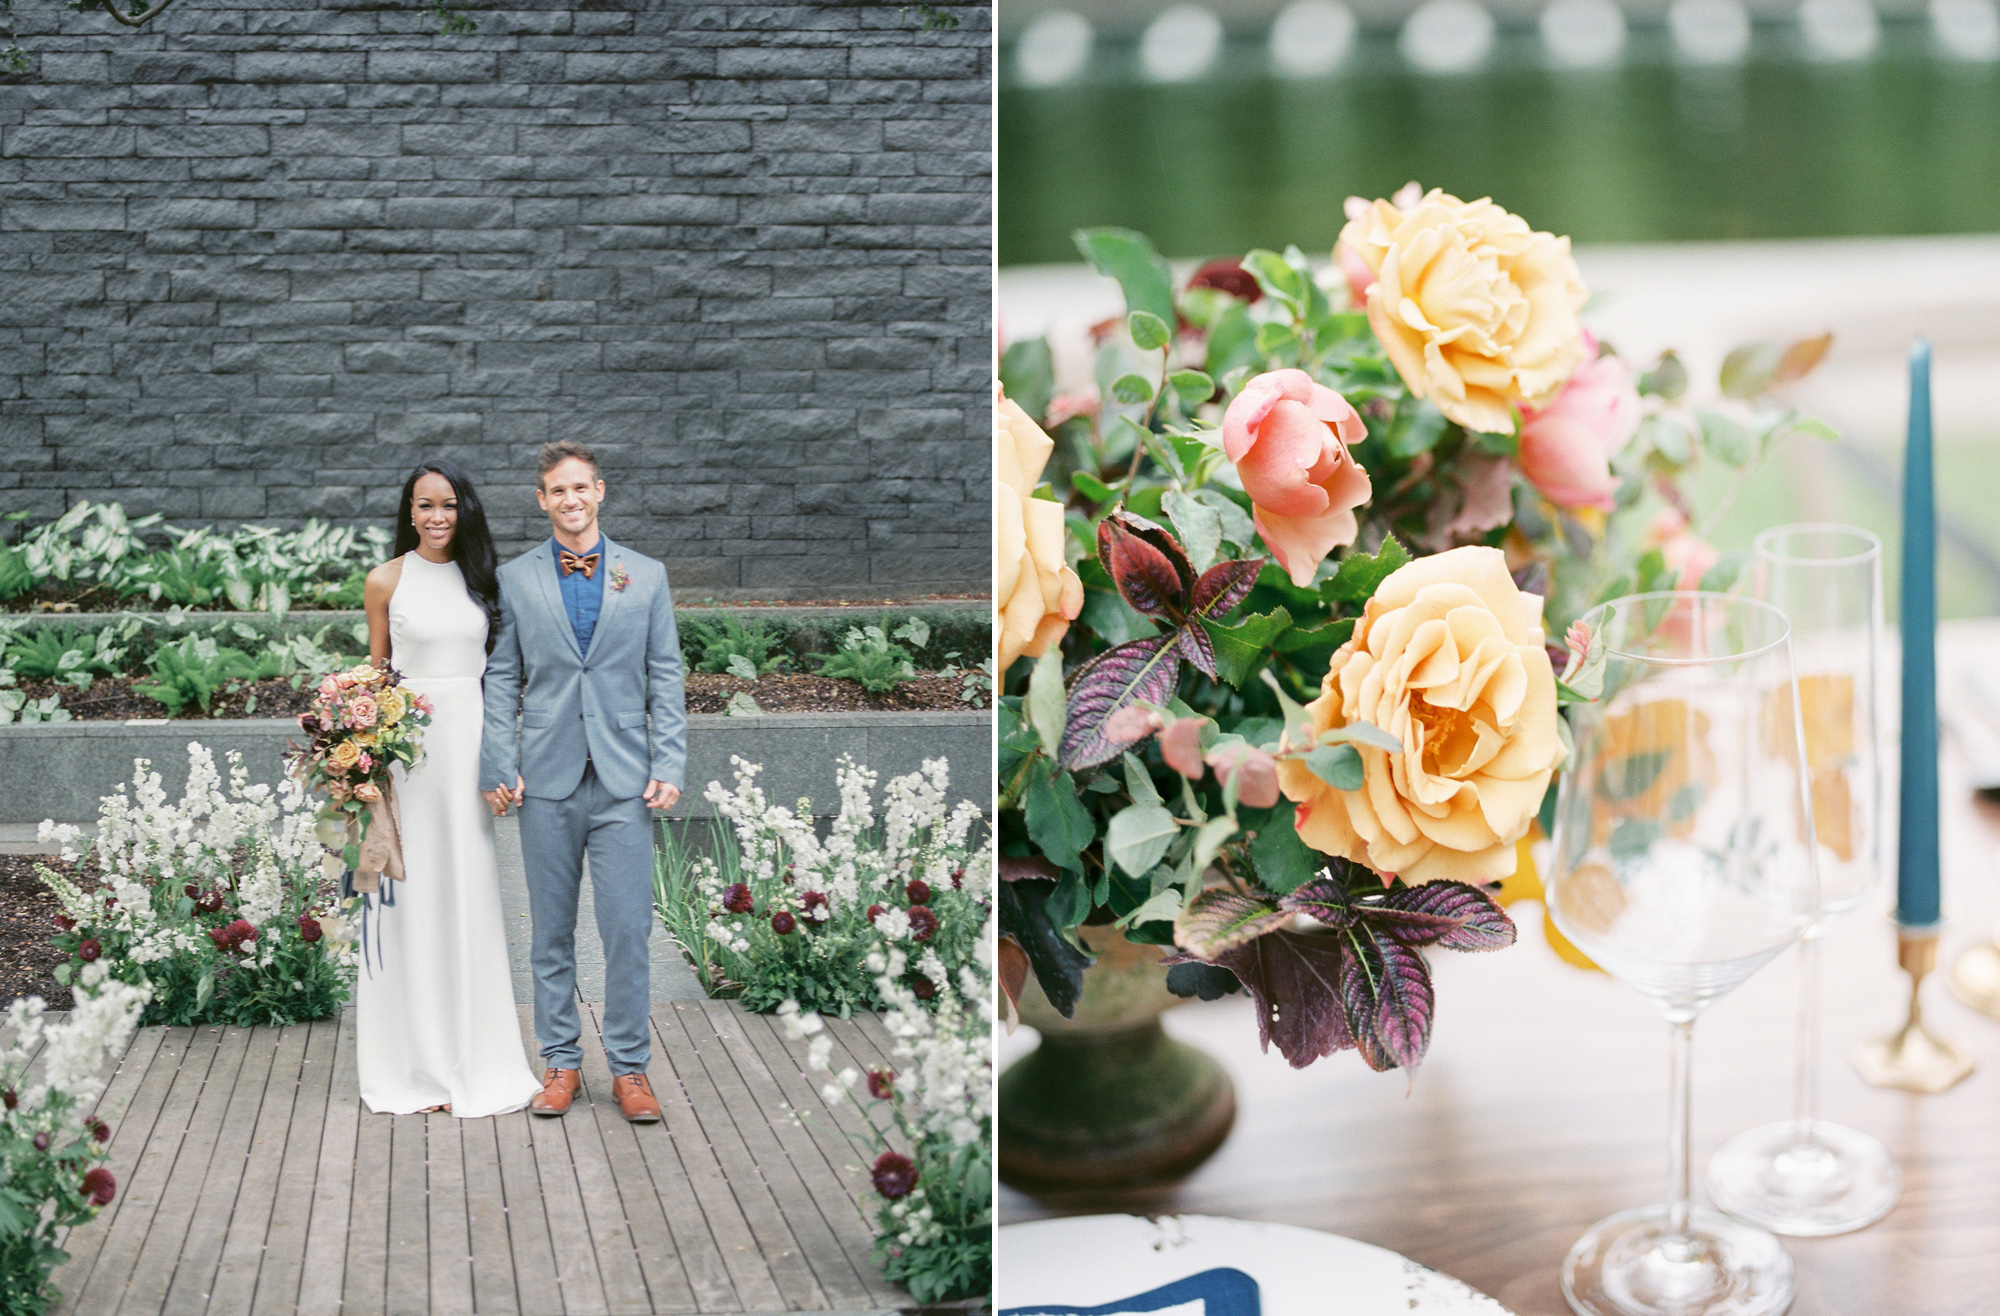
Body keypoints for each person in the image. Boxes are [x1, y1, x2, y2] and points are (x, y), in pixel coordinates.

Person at [479, 441, 687, 1122]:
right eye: (556, 492)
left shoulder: (646, 577)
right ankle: (560, 1063)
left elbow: (666, 676)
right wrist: (497, 761)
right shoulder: (515, 580)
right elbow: (503, 676)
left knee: (628, 929)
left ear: (601, 491)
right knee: (551, 933)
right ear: (543, 502)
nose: (570, 501)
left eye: (580, 488)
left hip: (626, 780)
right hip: (547, 777)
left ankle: (630, 1071)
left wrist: (669, 763)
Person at [356, 459, 543, 1117]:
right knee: (411, 902)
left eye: (448, 505)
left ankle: (474, 1057)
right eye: (424, 505)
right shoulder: (385, 580)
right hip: (409, 758)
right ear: (408, 511)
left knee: (467, 892)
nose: (437, 517)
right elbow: (374, 679)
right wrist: (362, 767)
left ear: (464, 510)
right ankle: (416, 1066)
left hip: (468, 754)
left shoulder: (485, 580)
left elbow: (501, 680)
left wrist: (501, 762)